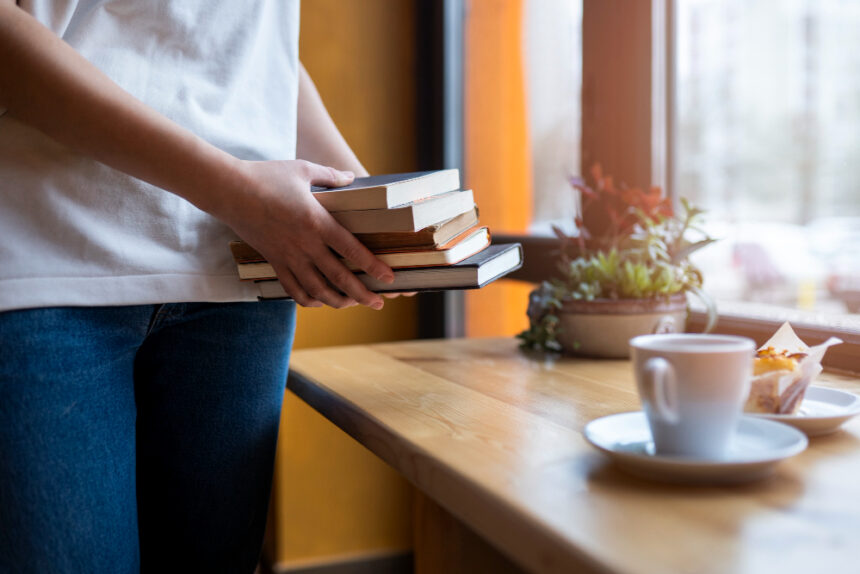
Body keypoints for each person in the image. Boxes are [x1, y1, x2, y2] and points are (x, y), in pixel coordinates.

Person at [0, 1, 401, 571]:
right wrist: (236, 192)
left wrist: (368, 200)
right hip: (45, 262)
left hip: (237, 271)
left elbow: (256, 41)